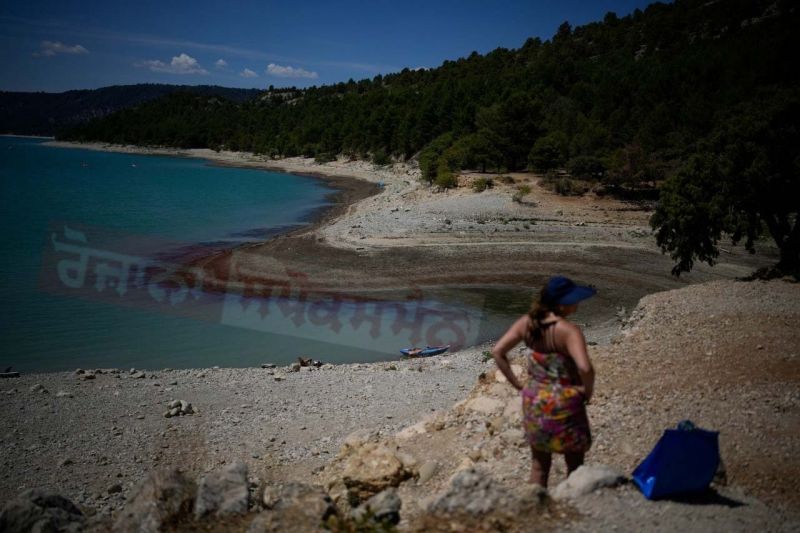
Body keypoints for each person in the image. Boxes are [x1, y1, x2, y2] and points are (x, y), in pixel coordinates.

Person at [492, 275, 596, 487]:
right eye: (574, 299)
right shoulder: (569, 331)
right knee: (574, 464)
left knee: (539, 466)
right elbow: (585, 368)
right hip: (566, 400)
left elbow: (498, 351)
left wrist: (518, 385)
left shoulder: (527, 323)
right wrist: (586, 392)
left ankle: (535, 503)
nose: (577, 303)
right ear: (562, 304)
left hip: (535, 401)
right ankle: (572, 502)